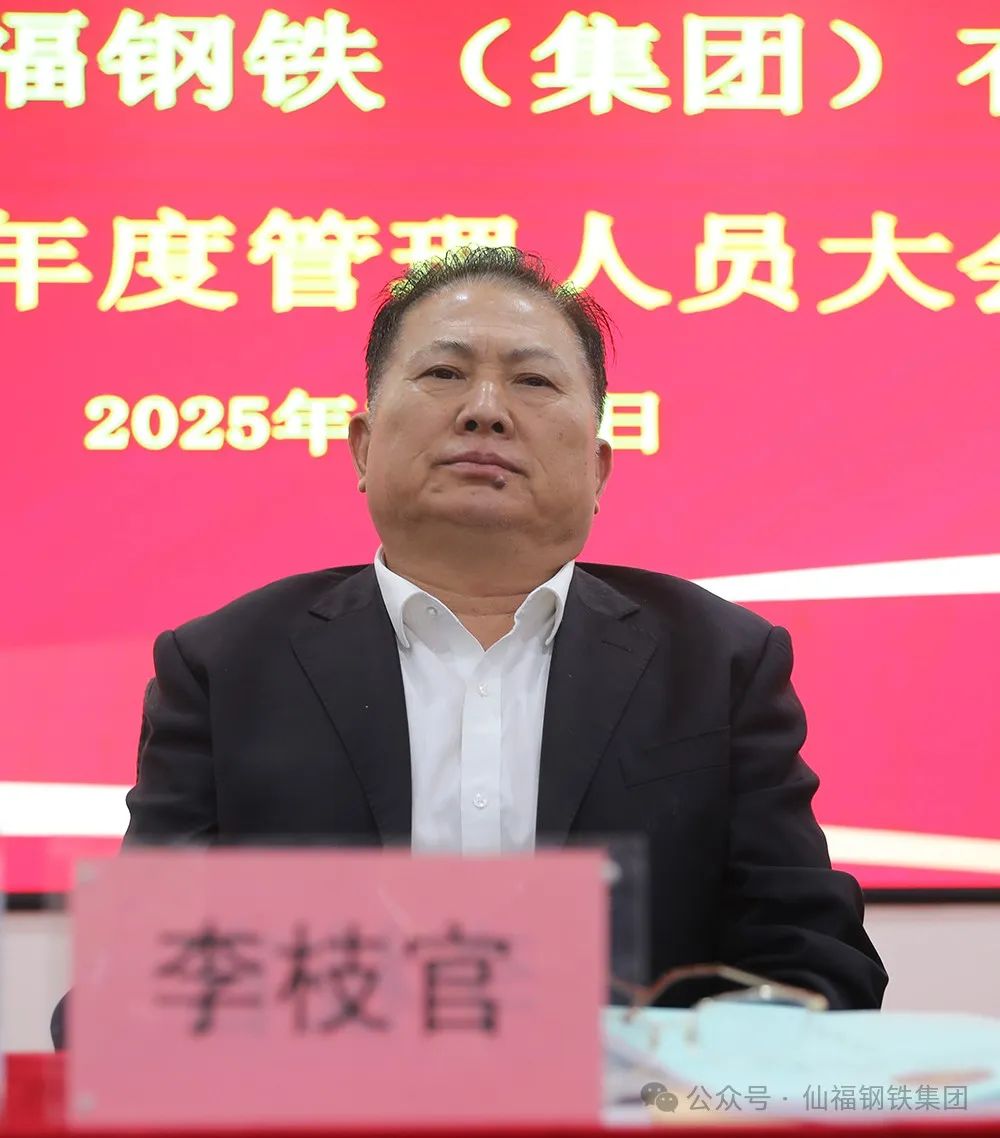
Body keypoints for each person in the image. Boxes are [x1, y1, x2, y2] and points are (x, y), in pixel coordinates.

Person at [51, 247, 886, 1048]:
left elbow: (814, 969)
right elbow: (128, 989)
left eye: (533, 380)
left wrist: (638, 1080)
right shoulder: (229, 667)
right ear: (362, 446)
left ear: (598, 469)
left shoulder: (717, 663)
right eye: (445, 373)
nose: (485, 409)